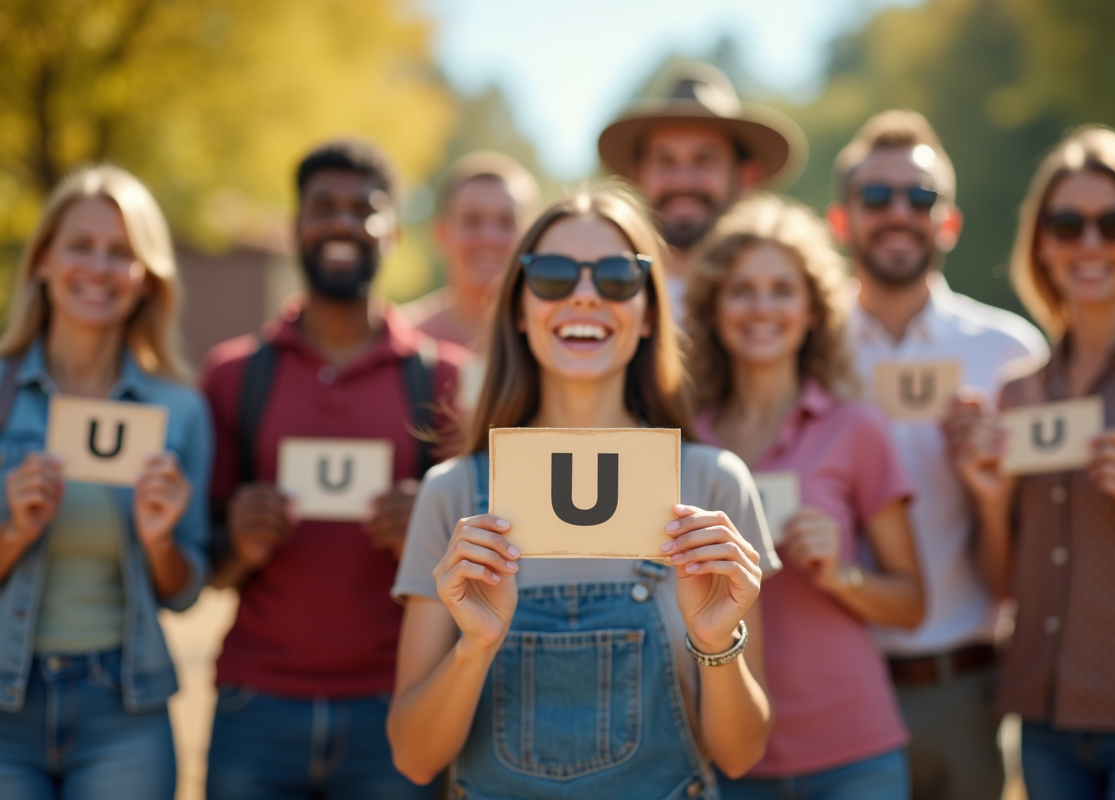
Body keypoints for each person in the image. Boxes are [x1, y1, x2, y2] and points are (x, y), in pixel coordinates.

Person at [386, 184, 780, 800]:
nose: (586, 295)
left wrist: (717, 646)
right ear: (519, 307)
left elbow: (741, 754)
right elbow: (413, 758)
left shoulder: (713, 483)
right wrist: (474, 648)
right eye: (553, 275)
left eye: (619, 277)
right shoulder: (455, 493)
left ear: (649, 311)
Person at [203, 139, 464, 799]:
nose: (342, 223)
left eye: (363, 208)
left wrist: (429, 540)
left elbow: (478, 570)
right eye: (323, 207)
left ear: (394, 233)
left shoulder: (446, 380)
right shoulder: (234, 376)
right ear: (297, 226)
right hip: (253, 707)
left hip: (395, 706)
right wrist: (239, 541)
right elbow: (206, 570)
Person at [956, 126, 1115, 800]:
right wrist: (988, 498)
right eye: (1067, 224)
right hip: (1045, 720)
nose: (1089, 245)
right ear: (1042, 244)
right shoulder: (1019, 391)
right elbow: (1004, 585)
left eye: (1113, 224)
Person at [825, 110, 1048, 800]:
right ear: (842, 221)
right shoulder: (803, 351)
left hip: (968, 687)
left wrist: (994, 486)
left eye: (920, 198)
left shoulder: (1011, 353)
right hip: (837, 687)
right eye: (876, 197)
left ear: (947, 222)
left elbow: (1053, 536)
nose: (900, 213)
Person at [685, 194, 924, 798]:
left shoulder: (856, 429)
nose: (762, 307)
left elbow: (913, 603)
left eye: (782, 290)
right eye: (742, 289)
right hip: (724, 756)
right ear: (713, 308)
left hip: (853, 755)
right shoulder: (684, 443)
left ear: (814, 309)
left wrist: (843, 574)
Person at [0, 165, 212, 798]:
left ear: (147, 279)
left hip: (124, 706)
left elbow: (183, 592)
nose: (98, 268)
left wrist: (160, 541)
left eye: (121, 253)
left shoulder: (181, 410)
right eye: (80, 246)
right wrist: (14, 533)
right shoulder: (3, 395)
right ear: (42, 262)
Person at [598, 62, 806, 320]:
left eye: (704, 161)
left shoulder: (779, 309)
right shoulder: (606, 293)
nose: (683, 182)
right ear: (639, 175)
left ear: (746, 176)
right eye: (665, 161)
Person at [402, 151, 541, 352]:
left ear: (534, 238)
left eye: (506, 222)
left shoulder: (551, 340)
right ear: (442, 234)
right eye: (471, 221)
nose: (489, 238)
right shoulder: (403, 337)